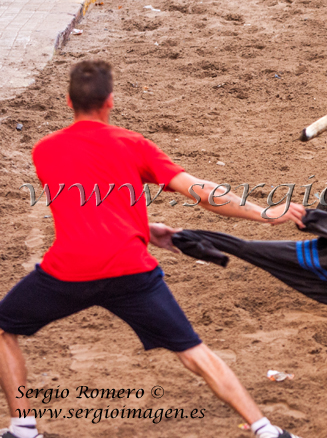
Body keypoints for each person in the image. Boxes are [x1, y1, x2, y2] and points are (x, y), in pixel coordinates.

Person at [0, 60, 306, 438]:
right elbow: (200, 192)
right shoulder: (133, 145)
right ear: (110, 101)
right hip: (131, 271)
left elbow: (85, 207)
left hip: (69, 271)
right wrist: (265, 213)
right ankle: (265, 429)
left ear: (68, 101)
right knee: (193, 352)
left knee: (3, 328)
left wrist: (143, 229)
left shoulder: (45, 151)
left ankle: (23, 427)